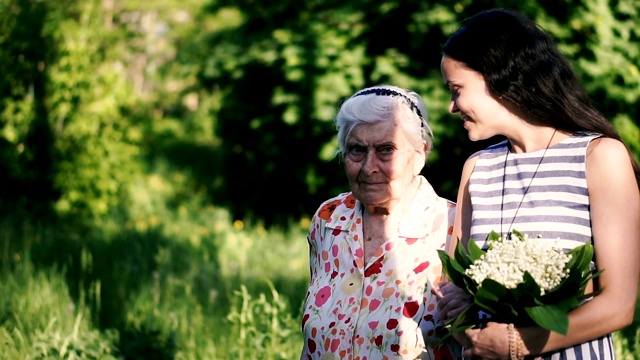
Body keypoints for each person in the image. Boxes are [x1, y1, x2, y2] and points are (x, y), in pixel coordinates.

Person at [436, 8, 640, 360]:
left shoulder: (599, 157)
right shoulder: (477, 168)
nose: (451, 106)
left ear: (499, 78)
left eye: (457, 90)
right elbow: (454, 284)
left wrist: (517, 344)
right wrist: (456, 301)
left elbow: (619, 304)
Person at [300, 85, 462, 359]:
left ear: (420, 153)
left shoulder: (452, 225)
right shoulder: (328, 221)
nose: (369, 167)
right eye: (356, 150)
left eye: (386, 149)